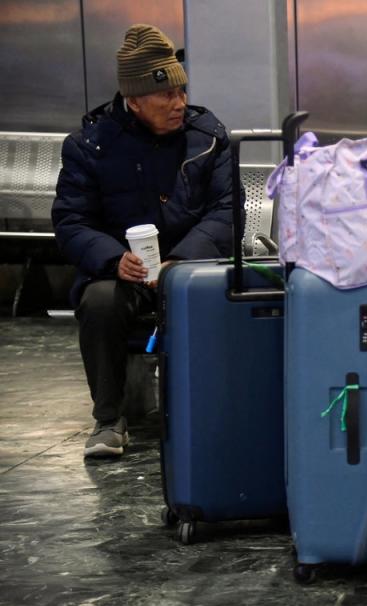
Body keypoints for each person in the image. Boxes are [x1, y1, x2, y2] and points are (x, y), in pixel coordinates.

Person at [52, 24, 233, 458]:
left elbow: (227, 211)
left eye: (182, 91)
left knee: (225, 295)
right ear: (133, 101)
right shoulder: (90, 146)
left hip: (191, 269)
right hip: (125, 274)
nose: (180, 104)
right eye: (166, 96)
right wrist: (115, 259)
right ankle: (109, 420)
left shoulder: (207, 137)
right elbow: (72, 221)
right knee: (99, 302)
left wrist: (181, 259)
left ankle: (220, 413)